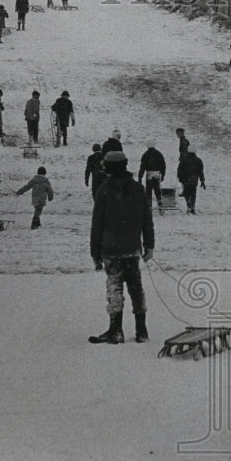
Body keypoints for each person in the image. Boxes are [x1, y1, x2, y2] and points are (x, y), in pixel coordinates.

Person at [89, 151, 155, 344]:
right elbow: (147, 220)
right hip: (133, 247)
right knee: (136, 288)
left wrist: (95, 253)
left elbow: (97, 224)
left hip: (111, 249)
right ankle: (141, 331)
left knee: (115, 287)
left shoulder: (104, 190)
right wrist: (149, 245)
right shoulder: (138, 189)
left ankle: (116, 330)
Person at [177, 148, 206, 215]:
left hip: (186, 179)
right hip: (194, 179)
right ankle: (193, 207)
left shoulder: (184, 159)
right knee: (193, 193)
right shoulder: (198, 160)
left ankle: (188, 203)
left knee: (186, 192)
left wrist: (180, 178)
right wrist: (202, 181)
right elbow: (200, 172)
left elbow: (179, 169)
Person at [138, 145, 167, 210]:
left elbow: (142, 166)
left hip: (149, 173)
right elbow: (163, 165)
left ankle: (149, 205)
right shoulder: (159, 154)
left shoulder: (146, 154)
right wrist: (163, 175)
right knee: (157, 188)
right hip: (157, 173)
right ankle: (159, 200)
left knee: (149, 190)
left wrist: (140, 176)